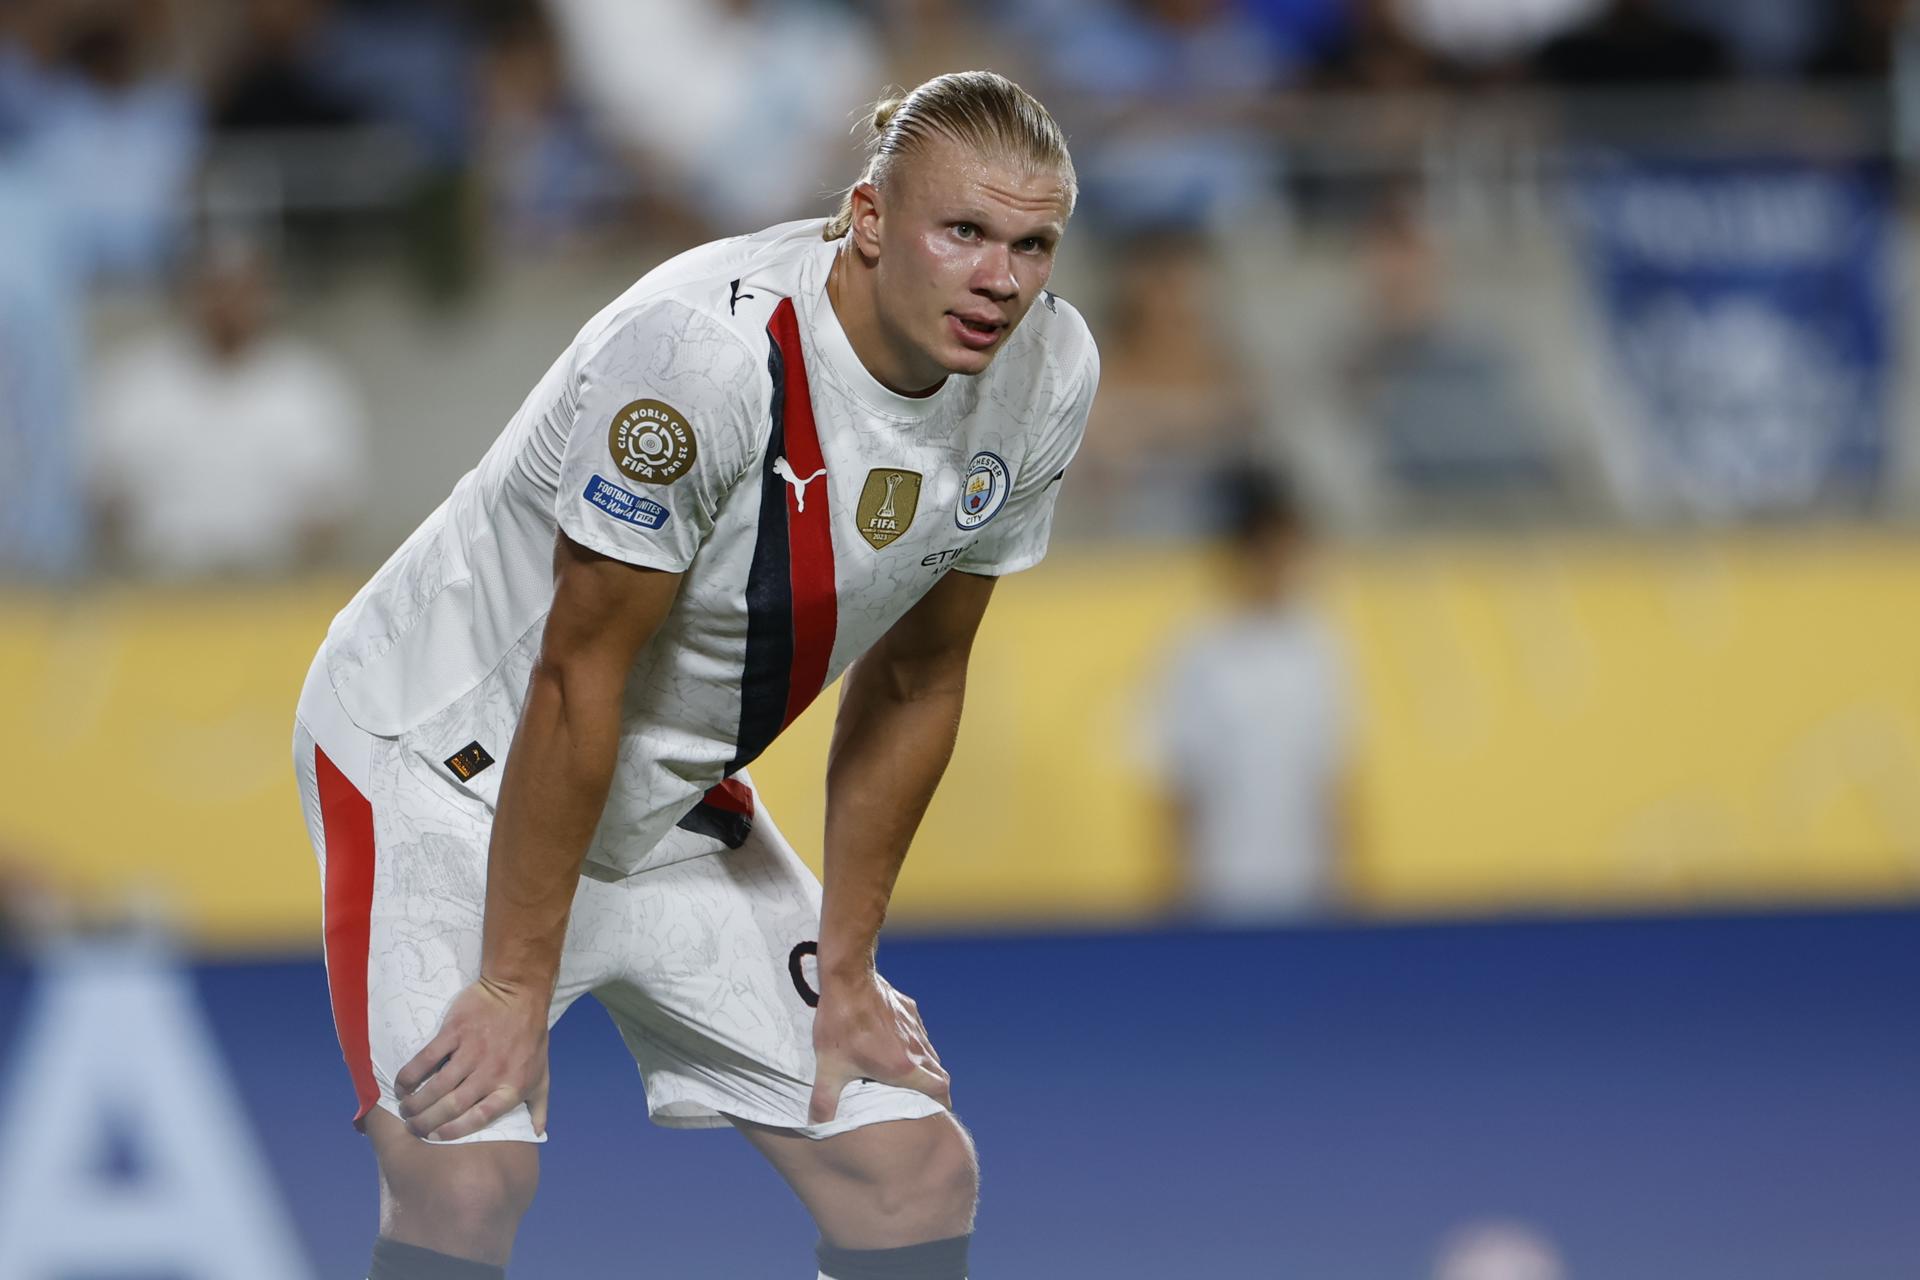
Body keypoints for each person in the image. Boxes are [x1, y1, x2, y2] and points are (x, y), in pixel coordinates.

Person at [290, 71, 1098, 1280]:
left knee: (913, 1176)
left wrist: (853, 965)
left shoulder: (1045, 377)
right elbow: (574, 672)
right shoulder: (699, 357)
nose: (1002, 278)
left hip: (657, 786)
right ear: (869, 220)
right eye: (964, 231)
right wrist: (512, 978)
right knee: (467, 1179)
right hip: (444, 760)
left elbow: (921, 678)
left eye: (1033, 244)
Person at [87, 239, 367, 577]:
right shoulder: (136, 383)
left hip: (272, 593)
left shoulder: (308, 388)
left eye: (241, 289)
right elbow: (104, 500)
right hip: (161, 591)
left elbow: (331, 510)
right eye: (215, 289)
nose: (228, 304)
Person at [1149, 467, 1351, 921]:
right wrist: (1178, 894)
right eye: (1274, 550)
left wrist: (1344, 887)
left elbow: (1333, 777)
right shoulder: (1201, 652)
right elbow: (1178, 783)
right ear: (1246, 552)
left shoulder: (1319, 646)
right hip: (1222, 892)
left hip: (1307, 893)